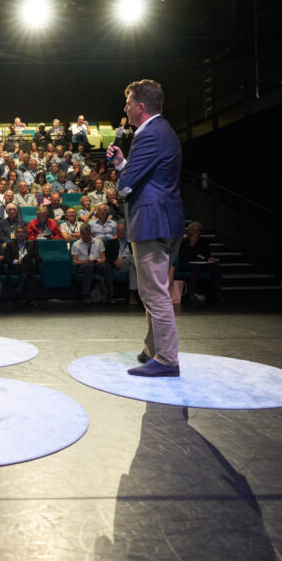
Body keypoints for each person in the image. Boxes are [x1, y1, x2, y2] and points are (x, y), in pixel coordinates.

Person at [108, 79, 184, 377]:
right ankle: (152, 348)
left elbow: (126, 187)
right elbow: (144, 174)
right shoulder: (164, 131)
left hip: (151, 222)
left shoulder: (149, 134)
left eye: (128, 103)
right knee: (156, 289)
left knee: (154, 293)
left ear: (140, 107)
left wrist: (121, 175)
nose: (125, 108)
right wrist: (123, 162)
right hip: (167, 220)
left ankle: (166, 359)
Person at [72, 223, 114, 304]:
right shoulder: (76, 244)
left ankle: (110, 295)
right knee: (88, 267)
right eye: (83, 234)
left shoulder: (98, 242)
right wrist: (85, 261)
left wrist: (97, 261)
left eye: (87, 233)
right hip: (83, 264)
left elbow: (103, 258)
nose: (85, 236)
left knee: (107, 266)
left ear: (90, 233)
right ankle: (86, 295)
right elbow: (75, 261)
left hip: (97, 263)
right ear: (80, 233)